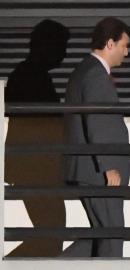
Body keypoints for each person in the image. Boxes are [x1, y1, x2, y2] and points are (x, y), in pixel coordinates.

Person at [62, 17, 130, 257]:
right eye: (124, 45)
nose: (127, 52)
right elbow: (98, 121)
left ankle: (57, 264)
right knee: (112, 235)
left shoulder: (84, 70)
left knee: (101, 234)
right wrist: (109, 165)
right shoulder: (95, 74)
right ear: (110, 44)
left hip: (91, 170)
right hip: (98, 172)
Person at [5, 19, 70, 257]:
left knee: (50, 234)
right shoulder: (32, 77)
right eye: (61, 45)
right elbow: (42, 124)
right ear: (47, 45)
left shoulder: (28, 74)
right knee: (51, 235)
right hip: (35, 170)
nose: (64, 52)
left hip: (33, 168)